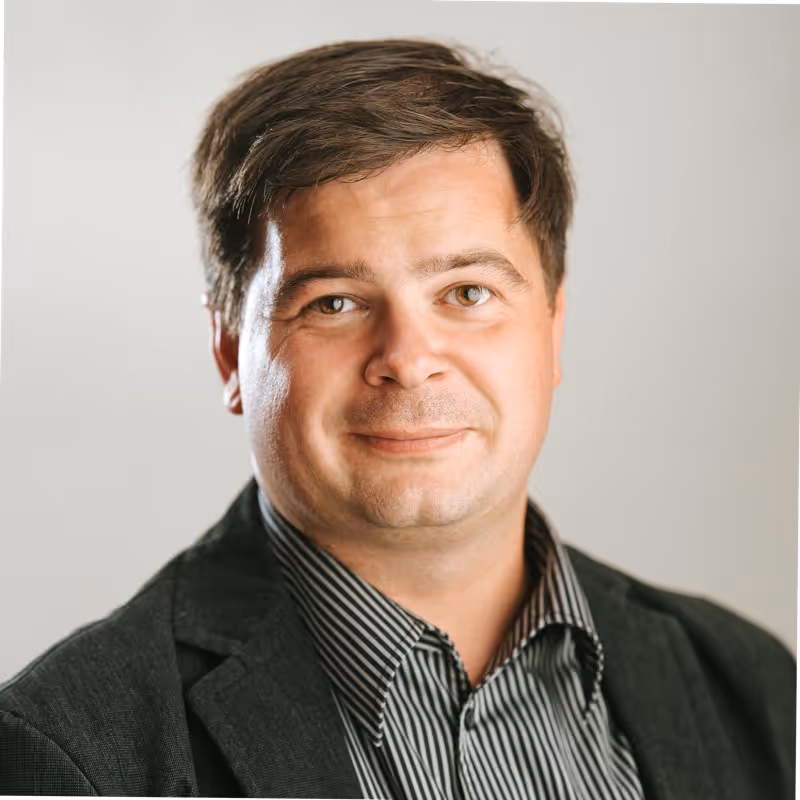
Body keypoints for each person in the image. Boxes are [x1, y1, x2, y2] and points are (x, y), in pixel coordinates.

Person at [0, 37, 794, 799]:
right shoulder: (67, 754)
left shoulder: (752, 685)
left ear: (552, 328)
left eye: (468, 293)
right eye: (334, 303)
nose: (409, 358)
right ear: (229, 352)